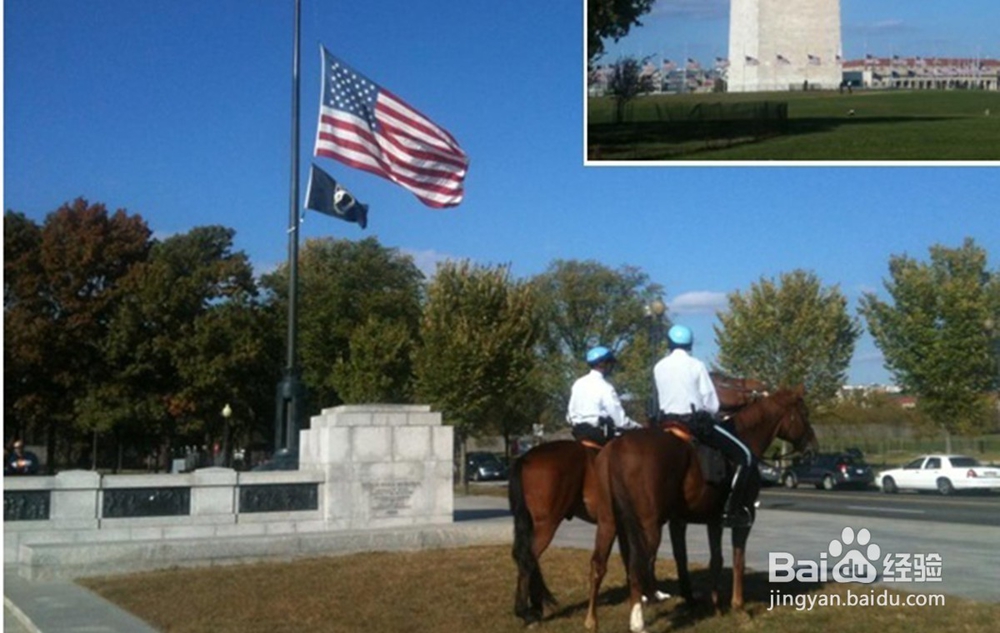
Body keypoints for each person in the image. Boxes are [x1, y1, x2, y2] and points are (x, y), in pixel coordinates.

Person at [653, 325, 757, 528]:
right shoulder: (696, 365)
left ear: (670, 344)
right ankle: (732, 510)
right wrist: (714, 413)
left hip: (665, 422)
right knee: (746, 456)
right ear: (689, 344)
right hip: (693, 423)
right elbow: (711, 403)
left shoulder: (659, 366)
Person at [566, 346, 641, 446]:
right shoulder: (606, 387)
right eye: (610, 364)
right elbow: (620, 421)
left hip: (577, 432)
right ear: (604, 364)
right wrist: (638, 427)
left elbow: (570, 414)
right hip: (598, 435)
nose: (611, 367)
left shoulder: (578, 383)